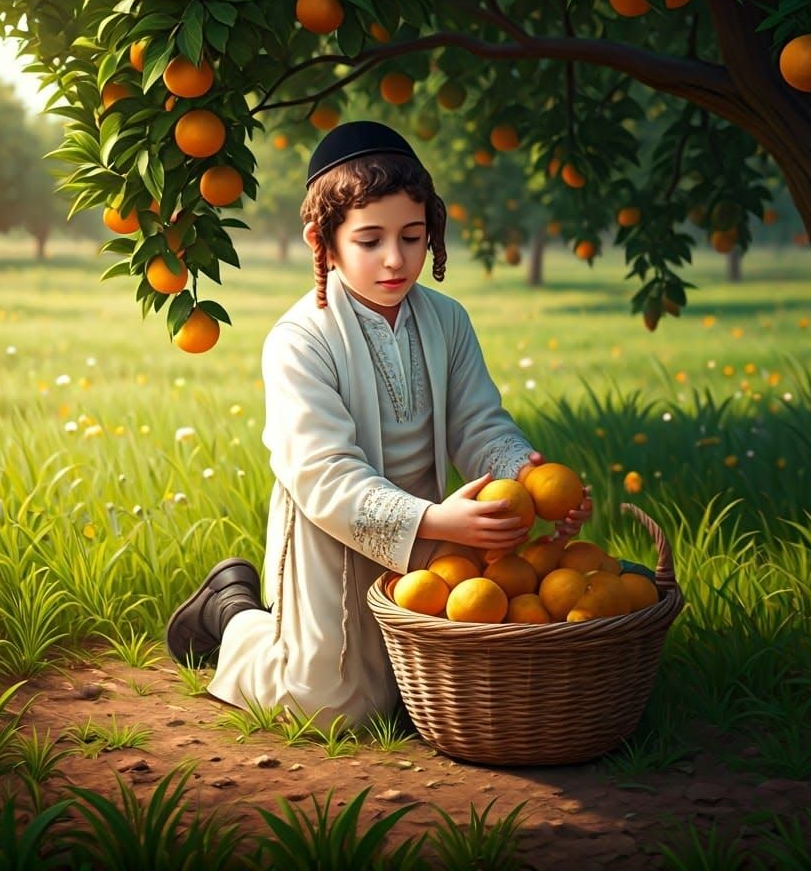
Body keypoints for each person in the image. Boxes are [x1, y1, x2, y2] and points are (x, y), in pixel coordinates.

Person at [165, 120, 592, 727]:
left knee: (435, 697)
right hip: (334, 535)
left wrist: (526, 477)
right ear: (324, 242)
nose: (396, 260)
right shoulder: (299, 339)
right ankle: (231, 613)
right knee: (336, 707)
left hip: (440, 538)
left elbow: (480, 424)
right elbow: (322, 474)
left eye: (413, 237)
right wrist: (435, 519)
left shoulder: (448, 320)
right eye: (370, 241)